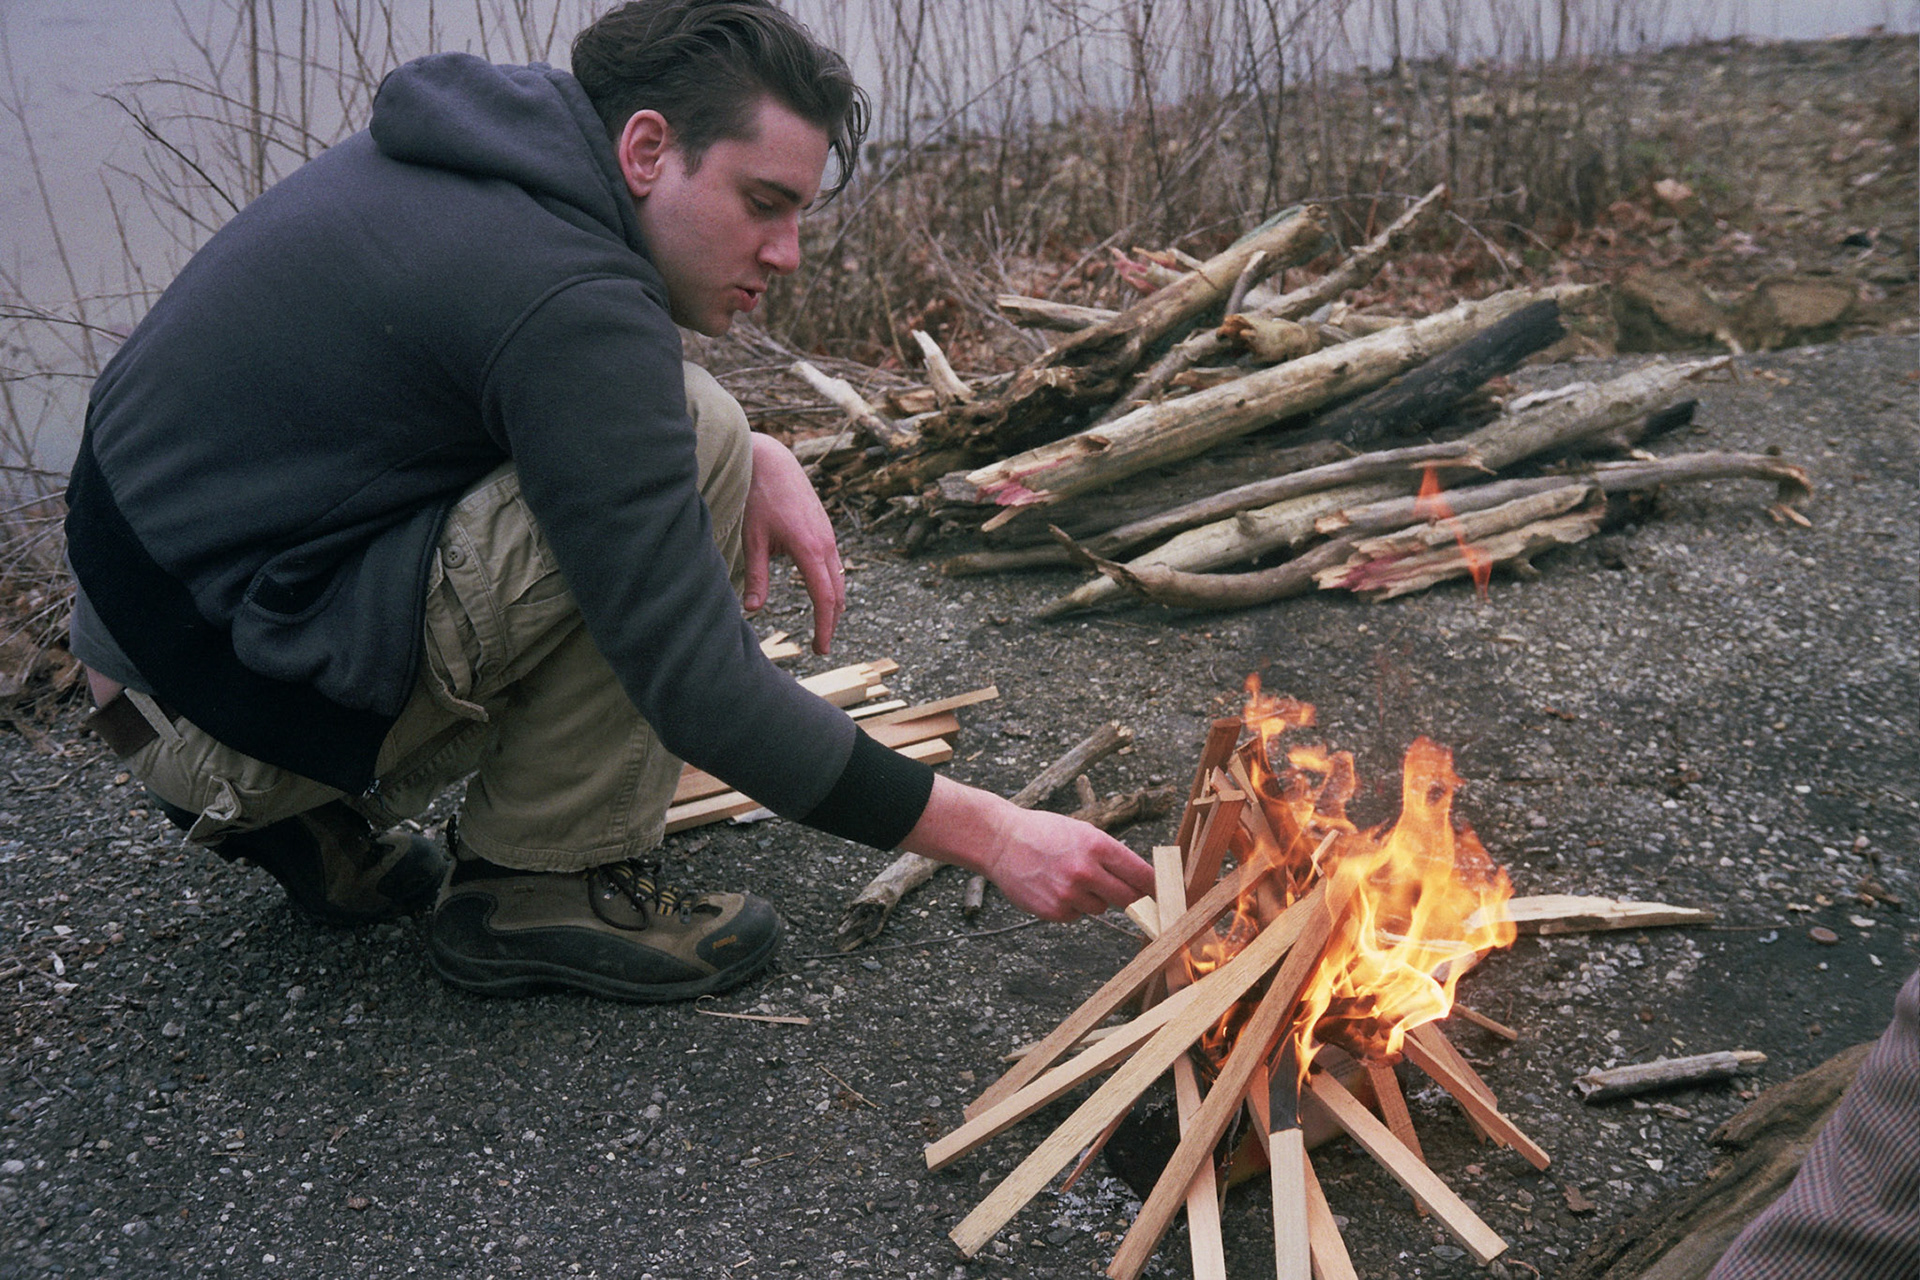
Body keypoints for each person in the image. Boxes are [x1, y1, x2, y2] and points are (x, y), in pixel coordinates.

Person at [63, 0, 1154, 1003]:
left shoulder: (496, 154)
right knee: (689, 441)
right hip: (213, 718)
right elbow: (700, 689)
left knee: (704, 425)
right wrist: (998, 831)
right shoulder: (570, 295)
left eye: (799, 213)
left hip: (151, 650)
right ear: (645, 148)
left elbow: (530, 381)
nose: (786, 251)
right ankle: (537, 885)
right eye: (763, 203)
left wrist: (752, 441)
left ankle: (315, 824)